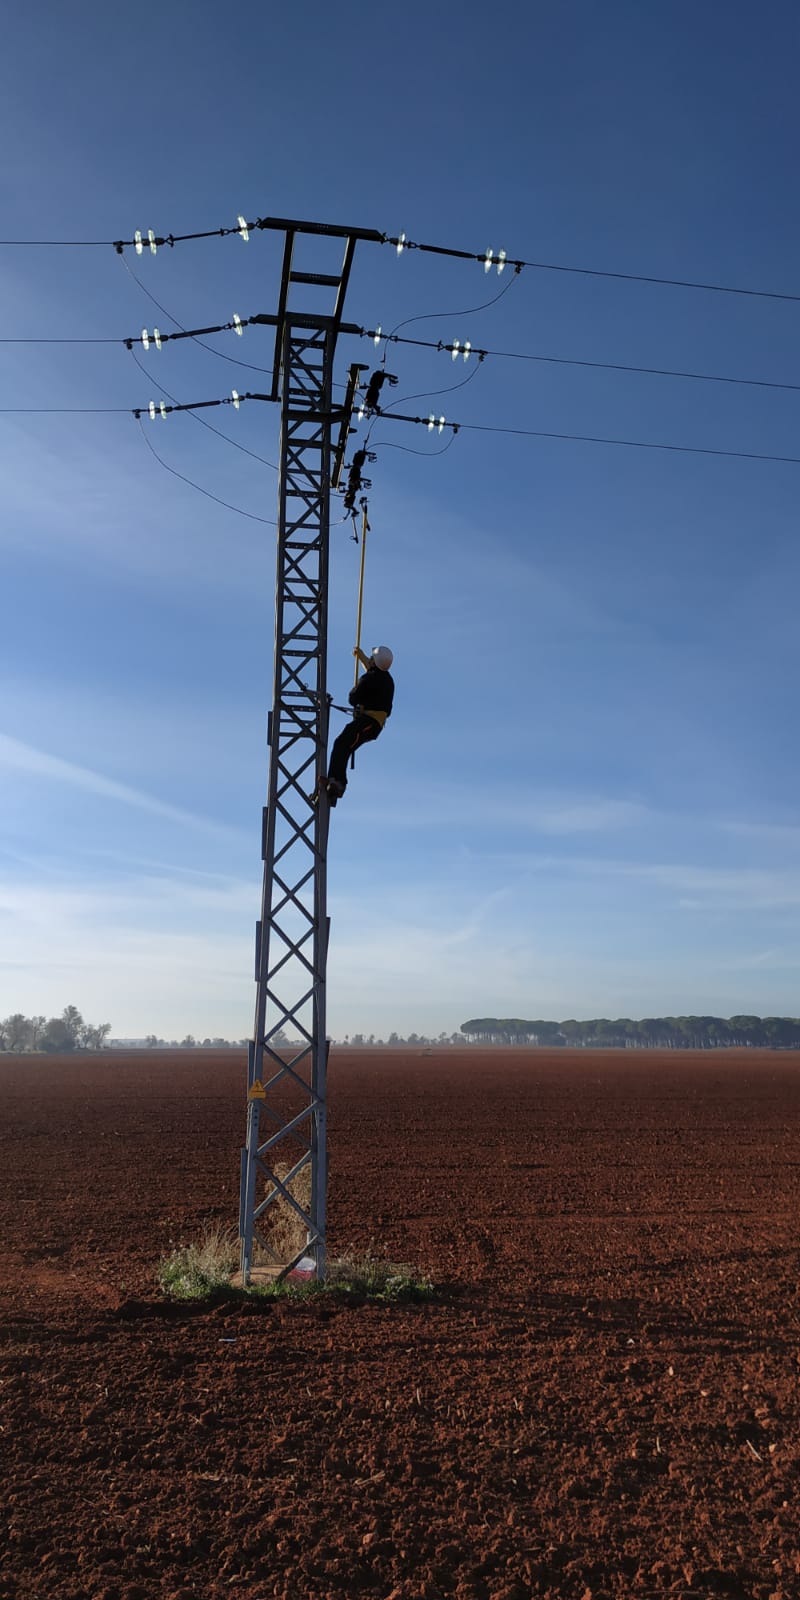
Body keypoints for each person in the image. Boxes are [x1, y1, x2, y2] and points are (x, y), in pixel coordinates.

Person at [324, 645, 394, 805]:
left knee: (341, 744)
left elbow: (353, 698)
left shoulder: (369, 678)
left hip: (368, 722)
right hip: (374, 723)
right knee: (345, 746)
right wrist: (360, 655)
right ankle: (336, 783)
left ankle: (337, 782)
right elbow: (372, 668)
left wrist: (359, 702)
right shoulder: (387, 679)